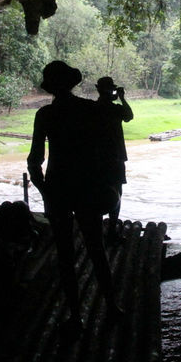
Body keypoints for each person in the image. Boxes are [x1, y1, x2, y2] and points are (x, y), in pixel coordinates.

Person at [27, 61, 123, 338]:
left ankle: (75, 316)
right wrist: (107, 185)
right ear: (72, 83)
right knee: (97, 249)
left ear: (51, 86)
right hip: (87, 187)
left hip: (58, 187)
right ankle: (113, 306)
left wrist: (44, 190)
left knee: (66, 255)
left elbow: (35, 161)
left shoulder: (45, 115)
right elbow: (107, 151)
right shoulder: (89, 110)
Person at [95, 76, 133, 243]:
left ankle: (97, 230)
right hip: (115, 158)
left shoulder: (93, 108)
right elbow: (129, 116)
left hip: (96, 158)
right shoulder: (115, 109)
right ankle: (111, 231)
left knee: (96, 192)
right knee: (116, 193)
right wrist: (122, 98)